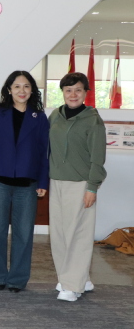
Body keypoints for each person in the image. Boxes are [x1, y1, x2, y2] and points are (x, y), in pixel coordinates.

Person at [0, 71, 49, 293]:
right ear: (9, 90)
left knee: (24, 232)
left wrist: (43, 182)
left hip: (27, 184)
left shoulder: (39, 118)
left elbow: (44, 152)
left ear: (32, 90)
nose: (22, 91)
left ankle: (17, 279)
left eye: (26, 86)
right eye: (17, 86)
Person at [48, 72, 106, 302]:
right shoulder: (55, 115)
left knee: (78, 235)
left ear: (85, 92)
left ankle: (73, 285)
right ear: (62, 92)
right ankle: (75, 278)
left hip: (81, 183)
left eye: (78, 90)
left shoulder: (93, 120)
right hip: (56, 181)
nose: (73, 94)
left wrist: (92, 187)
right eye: (68, 90)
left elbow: (98, 157)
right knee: (60, 234)